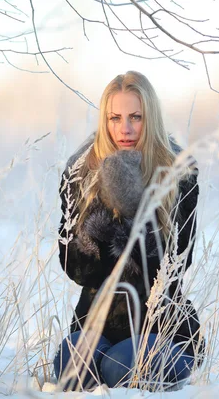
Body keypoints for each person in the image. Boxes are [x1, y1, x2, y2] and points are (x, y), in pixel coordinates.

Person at [55, 70, 203, 391]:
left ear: (150, 118)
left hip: (162, 331)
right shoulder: (81, 172)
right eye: (115, 118)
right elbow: (77, 269)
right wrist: (102, 206)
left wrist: (134, 203)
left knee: (119, 364)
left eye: (135, 117)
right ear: (104, 121)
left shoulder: (179, 172)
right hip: (96, 324)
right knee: (69, 360)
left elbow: (174, 266)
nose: (125, 129)